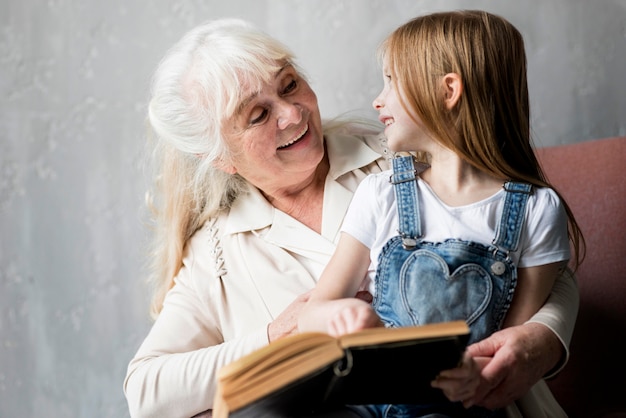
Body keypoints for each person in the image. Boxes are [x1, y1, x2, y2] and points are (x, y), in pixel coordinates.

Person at [123, 17, 580, 418]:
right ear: (218, 156)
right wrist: (277, 334)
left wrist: (541, 339)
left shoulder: (402, 154)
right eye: (259, 115)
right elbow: (146, 391)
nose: (292, 113)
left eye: (289, 85)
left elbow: (542, 260)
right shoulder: (215, 253)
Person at [298, 10, 584, 417]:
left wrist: (476, 372)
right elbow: (313, 313)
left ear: (448, 90)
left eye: (392, 81)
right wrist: (341, 314)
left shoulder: (537, 210)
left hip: (467, 404)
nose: (377, 99)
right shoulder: (380, 195)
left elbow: (510, 345)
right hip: (371, 403)